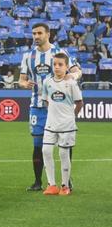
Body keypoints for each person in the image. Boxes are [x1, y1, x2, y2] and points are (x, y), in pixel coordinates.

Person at [19, 22, 81, 191]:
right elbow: (21, 79)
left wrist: (71, 76)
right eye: (34, 33)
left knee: (65, 145)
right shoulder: (28, 56)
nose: (36, 36)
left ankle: (66, 180)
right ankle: (38, 181)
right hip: (37, 106)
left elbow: (77, 70)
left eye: (39, 33)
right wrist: (24, 83)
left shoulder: (59, 53)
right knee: (38, 145)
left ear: (48, 34)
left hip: (59, 108)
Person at [40, 53, 84, 196]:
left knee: (63, 153)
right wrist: (53, 114)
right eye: (55, 64)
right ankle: (51, 185)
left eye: (60, 64)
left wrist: (71, 117)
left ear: (66, 67)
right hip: (50, 124)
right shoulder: (47, 82)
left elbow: (79, 103)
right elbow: (46, 100)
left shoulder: (71, 83)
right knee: (46, 151)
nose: (57, 67)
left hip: (67, 125)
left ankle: (65, 186)